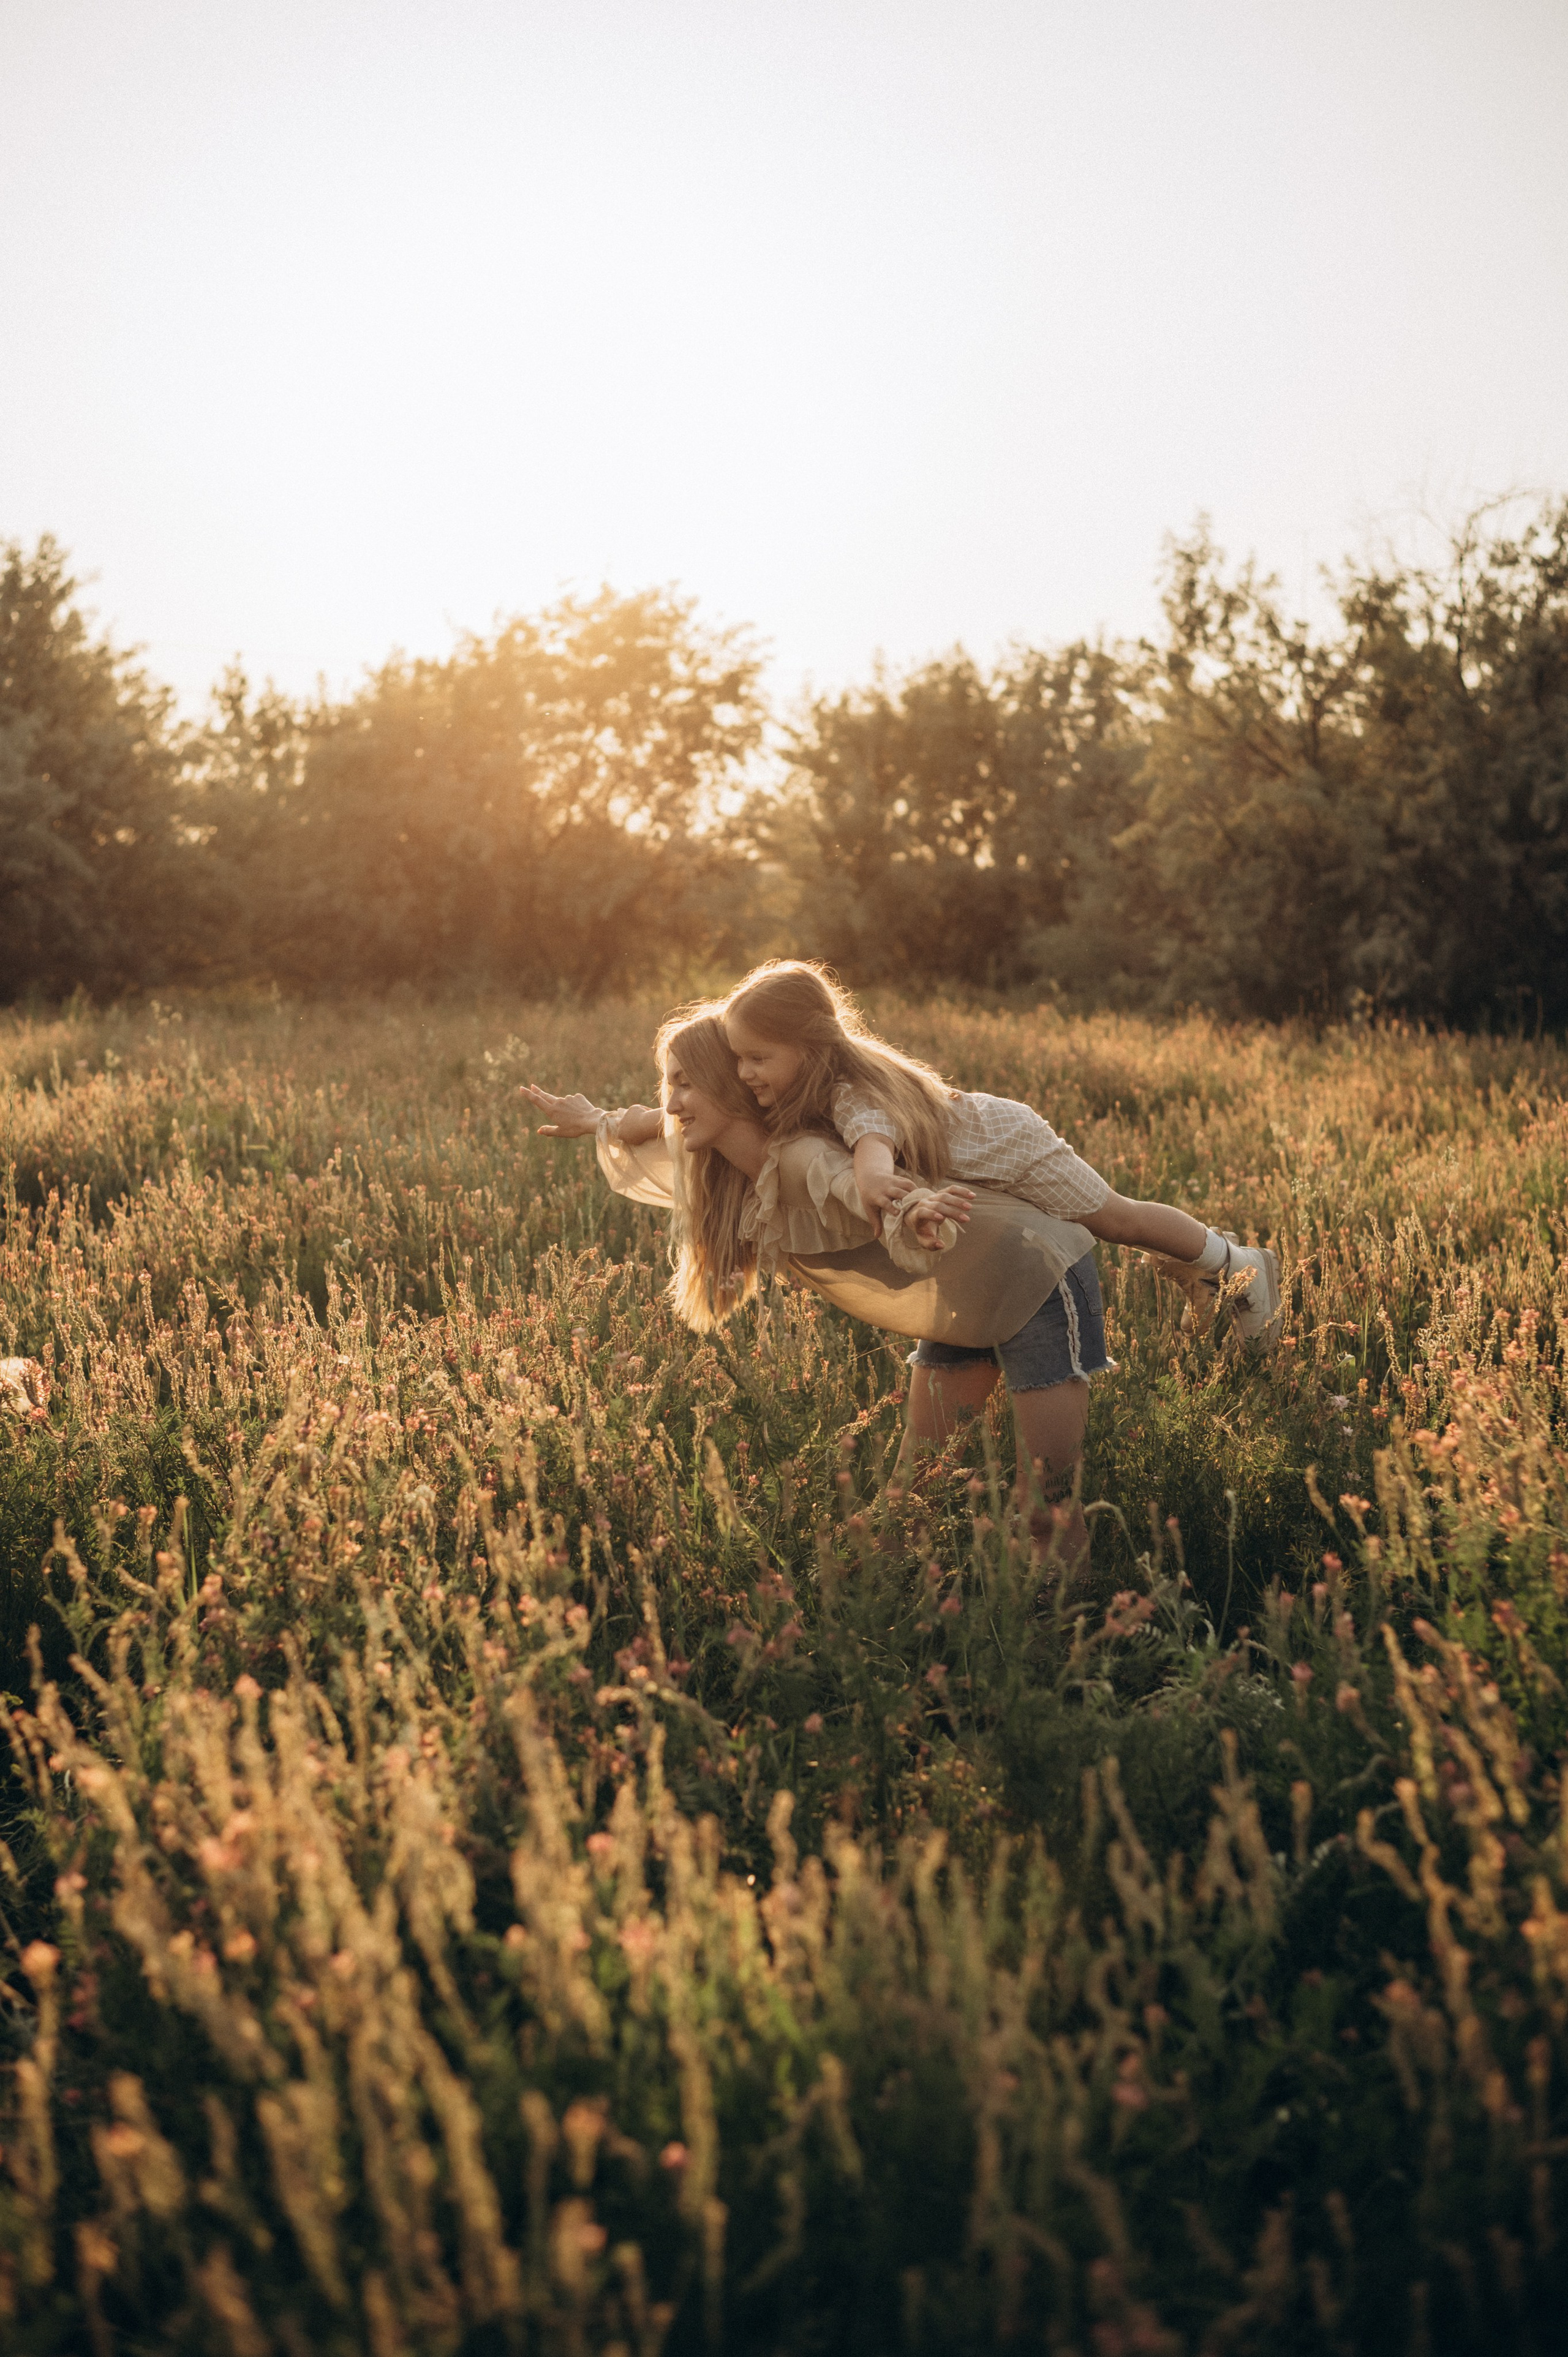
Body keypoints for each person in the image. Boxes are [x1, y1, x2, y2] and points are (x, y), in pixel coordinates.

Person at [522, 1008, 1112, 1565]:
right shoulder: (717, 1158)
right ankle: (885, 1637)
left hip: (1039, 1277)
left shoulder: (802, 1156)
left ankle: (1066, 1647)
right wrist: (597, 1120)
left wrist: (910, 1209)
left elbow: (860, 1188)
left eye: (683, 1084)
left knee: (1046, 1511)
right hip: (959, 1293)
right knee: (909, 1505)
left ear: (727, 1089)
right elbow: (655, 1121)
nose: (670, 1102)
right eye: (666, 1085)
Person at [719, 959, 1283, 1349]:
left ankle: (1234, 1264)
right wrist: (654, 1119)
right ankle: (1207, 1276)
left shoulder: (854, 1087)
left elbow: (872, 1136)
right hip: (981, 1158)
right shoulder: (809, 1087)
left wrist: (871, 1181)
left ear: (810, 1046)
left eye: (758, 1058)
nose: (745, 1073)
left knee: (1118, 1218)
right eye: (739, 1059)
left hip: (1009, 1146)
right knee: (1110, 1220)